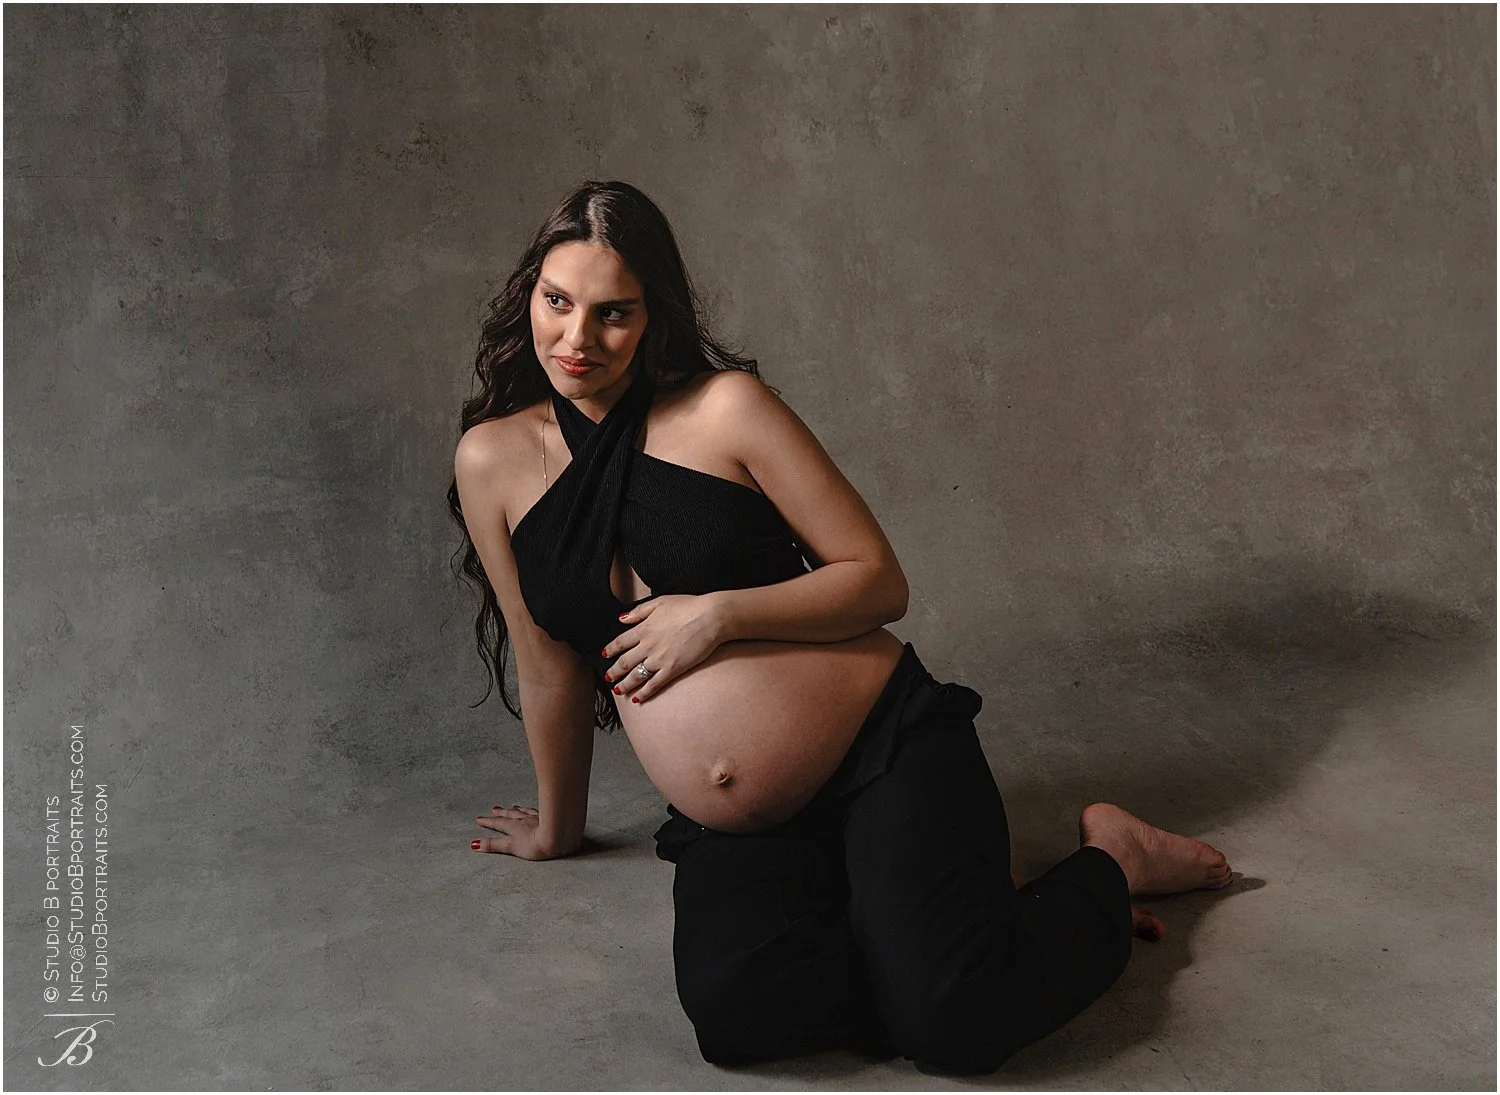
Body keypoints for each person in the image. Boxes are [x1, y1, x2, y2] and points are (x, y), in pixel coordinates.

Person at [446, 180, 1232, 1074]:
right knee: (737, 1018)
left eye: (613, 314)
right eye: (559, 302)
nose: (578, 339)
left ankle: (1108, 862)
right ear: (530, 295)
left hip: (882, 751)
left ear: (653, 317)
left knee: (954, 1025)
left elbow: (878, 581)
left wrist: (719, 616)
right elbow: (548, 657)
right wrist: (558, 827)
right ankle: (964, 928)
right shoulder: (492, 459)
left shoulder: (725, 409)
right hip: (744, 823)